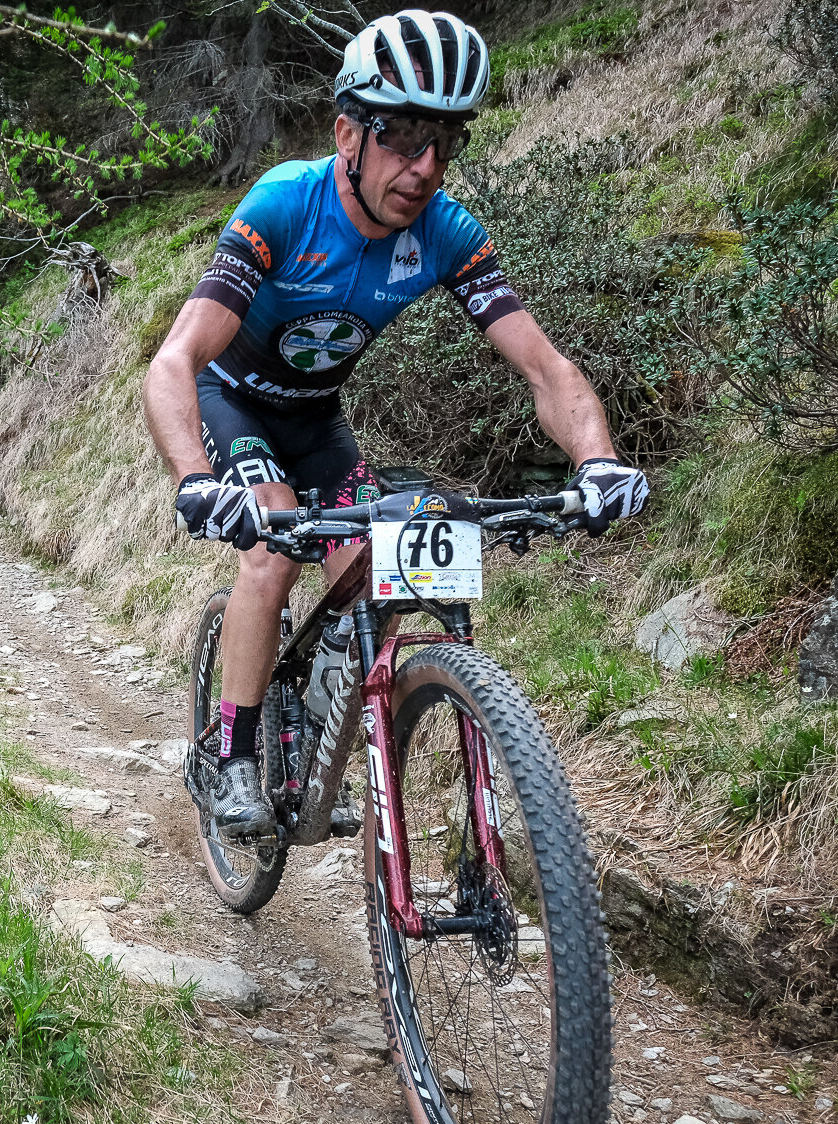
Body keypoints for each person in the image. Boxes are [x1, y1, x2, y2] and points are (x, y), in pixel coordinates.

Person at [142, 9, 649, 839]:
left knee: (373, 572)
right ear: (348, 131)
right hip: (233, 403)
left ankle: (308, 735)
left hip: (316, 419)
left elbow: (545, 367)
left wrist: (598, 461)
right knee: (272, 553)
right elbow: (174, 363)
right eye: (404, 135)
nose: (423, 166)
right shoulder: (285, 207)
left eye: (445, 141)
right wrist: (196, 481)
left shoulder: (446, 233)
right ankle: (230, 752)